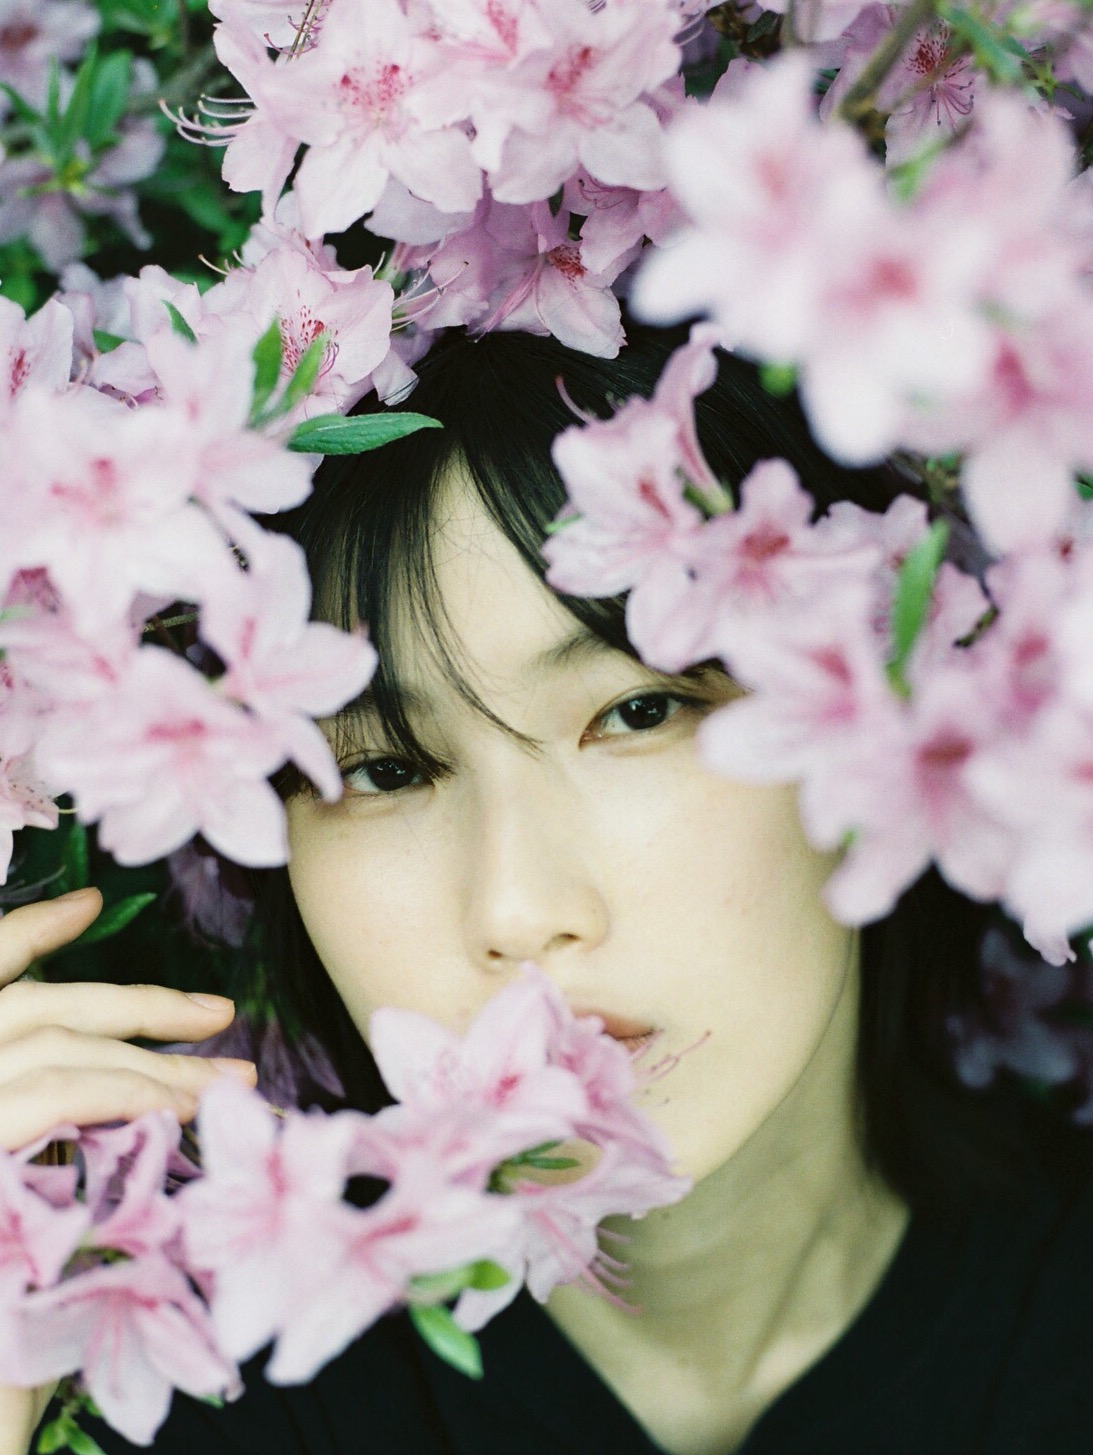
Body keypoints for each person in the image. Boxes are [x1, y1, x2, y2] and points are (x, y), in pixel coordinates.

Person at [2, 325, 1092, 1455]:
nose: (517, 911)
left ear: (876, 702)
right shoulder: (168, 1382)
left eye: (637, 711)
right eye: (386, 770)